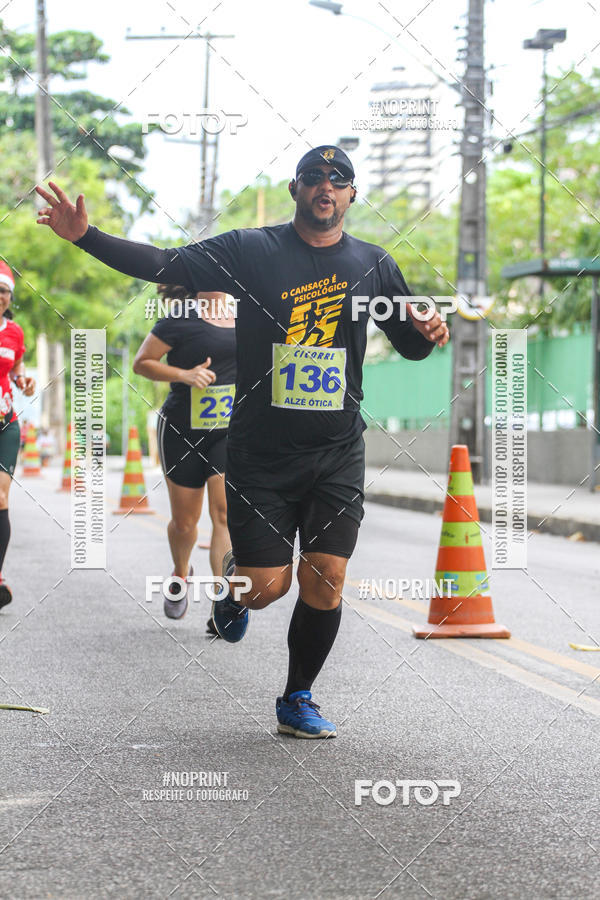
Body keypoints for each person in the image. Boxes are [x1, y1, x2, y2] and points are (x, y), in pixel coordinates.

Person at [36, 145, 449, 738]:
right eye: (313, 178)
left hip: (337, 449)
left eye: (338, 179)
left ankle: (296, 697)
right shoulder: (250, 251)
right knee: (266, 588)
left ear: (352, 195)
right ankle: (234, 582)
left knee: (326, 576)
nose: (325, 187)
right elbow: (163, 261)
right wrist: (86, 237)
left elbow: (409, 343)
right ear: (295, 189)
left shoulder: (374, 264)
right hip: (260, 451)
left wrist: (428, 329)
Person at [132, 284, 236, 630]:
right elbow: (142, 363)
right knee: (185, 523)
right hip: (182, 429)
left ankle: (223, 605)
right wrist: (184, 375)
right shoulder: (178, 319)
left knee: (223, 515)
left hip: (229, 430)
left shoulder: (246, 317)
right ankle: (181, 572)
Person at [0, 262, 36, 609]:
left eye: (4, 291)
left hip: (6, 422)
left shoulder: (15, 332)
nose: (0, 296)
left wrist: (23, 380)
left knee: (0, 497)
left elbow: (16, 369)